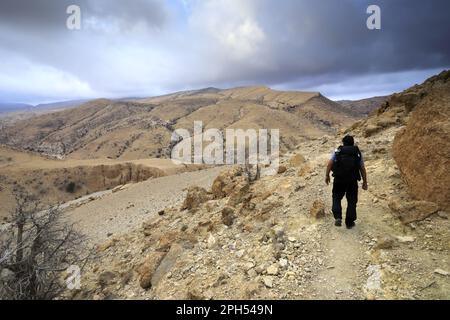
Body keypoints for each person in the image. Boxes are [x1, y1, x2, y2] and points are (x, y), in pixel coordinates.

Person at [325, 135, 368, 229]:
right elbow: (362, 168)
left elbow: (330, 164)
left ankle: (338, 217)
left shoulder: (338, 151)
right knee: (352, 200)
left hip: (339, 179)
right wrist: (365, 182)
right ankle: (349, 222)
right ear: (353, 143)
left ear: (343, 143)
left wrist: (327, 175)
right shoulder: (357, 152)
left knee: (336, 197)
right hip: (352, 180)